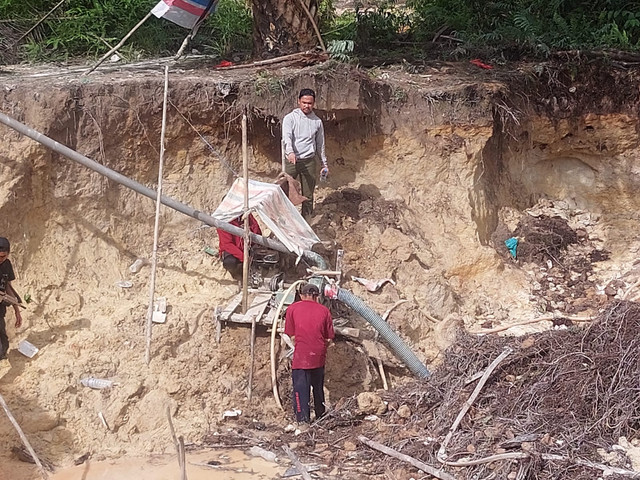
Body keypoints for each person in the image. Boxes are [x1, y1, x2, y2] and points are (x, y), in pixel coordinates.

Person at [284, 282, 334, 424]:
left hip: (301, 357)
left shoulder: (292, 309)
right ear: (317, 296)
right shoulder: (324, 311)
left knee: (300, 389)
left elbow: (291, 334)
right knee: (318, 388)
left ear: (301, 296)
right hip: (318, 356)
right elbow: (329, 337)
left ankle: (303, 421)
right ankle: (321, 416)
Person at [282, 88, 329, 218]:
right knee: (284, 190)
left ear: (313, 104)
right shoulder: (290, 118)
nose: (306, 106)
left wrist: (324, 164)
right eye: (304, 102)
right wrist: (290, 152)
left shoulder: (317, 122)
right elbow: (287, 137)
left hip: (309, 161)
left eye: (309, 103)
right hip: (292, 161)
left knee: (308, 195)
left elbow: (320, 144)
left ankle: (306, 222)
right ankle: (283, 219)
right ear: (299, 101)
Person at [217, 214, 262, 281]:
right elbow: (227, 244)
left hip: (248, 247)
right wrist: (243, 257)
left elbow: (257, 232)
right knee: (230, 262)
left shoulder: (247, 215)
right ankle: (239, 277)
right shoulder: (223, 221)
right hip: (233, 251)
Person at [0, 237, 23, 360]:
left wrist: (17, 311)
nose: (0, 259)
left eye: (3, 256)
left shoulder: (7, 265)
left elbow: (8, 286)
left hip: (0, 307)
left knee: (3, 338)